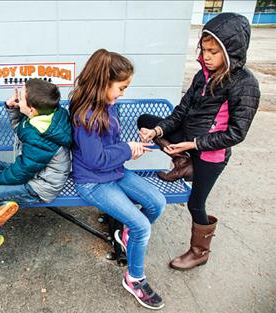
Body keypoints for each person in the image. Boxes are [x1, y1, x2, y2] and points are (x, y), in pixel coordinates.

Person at [137, 13, 260, 270]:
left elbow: (236, 133)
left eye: (214, 52)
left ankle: (199, 252)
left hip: (209, 154)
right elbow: (180, 113)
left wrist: (194, 145)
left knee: (196, 203)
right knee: (146, 120)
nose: (206, 56)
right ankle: (182, 164)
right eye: (204, 50)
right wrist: (157, 131)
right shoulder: (201, 76)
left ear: (232, 51)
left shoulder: (246, 84)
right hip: (188, 142)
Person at [70, 49, 166, 310]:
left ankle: (125, 232)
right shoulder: (85, 115)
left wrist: (131, 147)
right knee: (142, 227)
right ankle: (134, 279)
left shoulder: (107, 105)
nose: (123, 92)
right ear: (103, 83)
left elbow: (109, 148)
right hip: (93, 181)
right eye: (121, 87)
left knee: (157, 203)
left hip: (114, 172)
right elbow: (95, 160)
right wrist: (126, 149)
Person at [0, 79, 72, 259]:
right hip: (37, 172)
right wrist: (13, 109)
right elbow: (21, 129)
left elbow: (23, 171)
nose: (17, 99)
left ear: (31, 110)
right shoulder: (48, 115)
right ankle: (3, 201)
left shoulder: (40, 136)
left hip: (41, 186)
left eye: (21, 99)